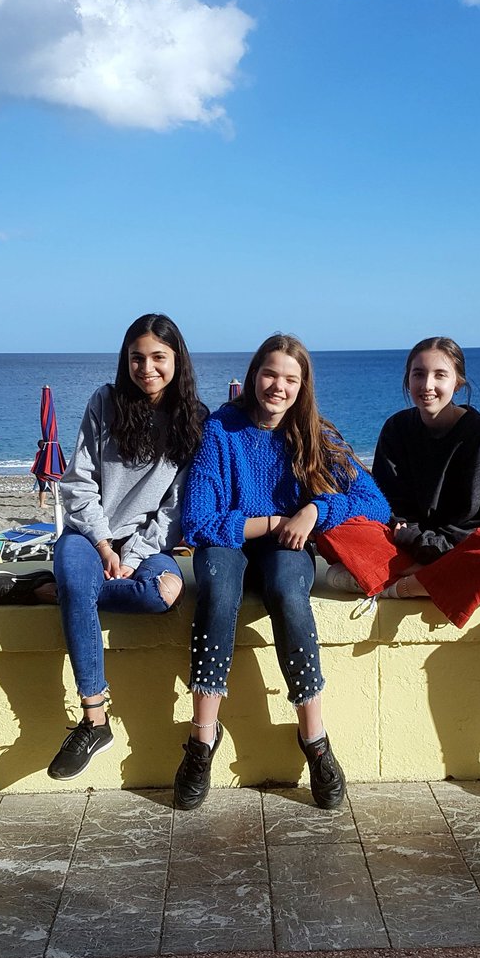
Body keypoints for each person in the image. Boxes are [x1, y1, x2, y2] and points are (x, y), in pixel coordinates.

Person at [0, 314, 206, 781]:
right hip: (86, 535)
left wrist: (132, 555)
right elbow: (77, 483)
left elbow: (177, 508)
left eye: (159, 357)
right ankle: (94, 718)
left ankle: (47, 590)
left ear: (177, 359)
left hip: (146, 542)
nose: (147, 368)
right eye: (136, 358)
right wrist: (103, 548)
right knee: (82, 579)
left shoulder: (194, 419)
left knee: (162, 595)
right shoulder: (106, 402)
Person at [177, 333, 390, 812]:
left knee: (290, 596)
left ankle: (314, 739)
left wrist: (316, 510)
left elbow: (376, 502)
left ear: (302, 385)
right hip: (230, 543)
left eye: (290, 379)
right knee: (216, 593)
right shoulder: (221, 429)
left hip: (286, 549)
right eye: (270, 374)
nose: (278, 387)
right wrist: (274, 521)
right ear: (254, 375)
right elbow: (198, 520)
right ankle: (202, 739)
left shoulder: (314, 431)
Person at [320, 337, 480, 629]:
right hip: (408, 545)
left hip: (456, 547)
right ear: (407, 379)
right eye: (418, 374)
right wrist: (413, 539)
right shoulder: (397, 427)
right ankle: (456, 585)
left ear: (458, 383)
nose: (427, 385)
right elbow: (386, 505)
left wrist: (423, 542)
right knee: (333, 528)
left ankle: (402, 587)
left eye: (440, 375)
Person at [35, 440, 50, 509]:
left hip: (38, 471)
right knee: (43, 488)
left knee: (43, 487)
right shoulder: (43, 453)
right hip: (41, 472)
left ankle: (42, 503)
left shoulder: (39, 453)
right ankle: (42, 504)